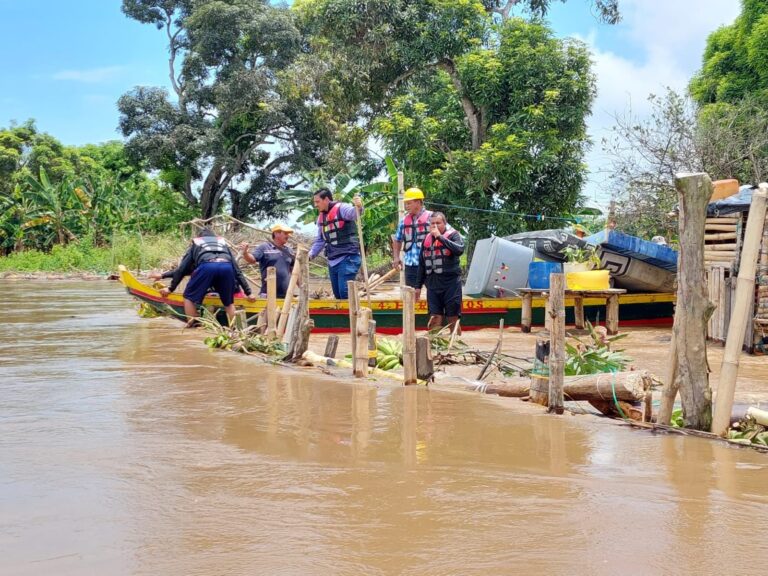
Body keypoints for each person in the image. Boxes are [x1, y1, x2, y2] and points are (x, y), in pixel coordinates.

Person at [149, 228, 255, 326]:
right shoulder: (223, 246)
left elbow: (182, 269)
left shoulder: (197, 244)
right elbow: (237, 271)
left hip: (207, 266)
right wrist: (249, 293)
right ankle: (236, 329)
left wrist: (170, 288)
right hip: (227, 268)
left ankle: (194, 325)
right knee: (228, 303)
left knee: (188, 297)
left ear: (199, 238)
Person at [308, 188, 364, 299]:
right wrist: (310, 255)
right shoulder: (321, 218)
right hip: (333, 260)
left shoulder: (342, 208)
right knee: (338, 295)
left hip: (348, 258)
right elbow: (320, 240)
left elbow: (354, 213)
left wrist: (359, 207)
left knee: (344, 293)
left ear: (326, 199)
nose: (315, 205)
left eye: (317, 202)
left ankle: (354, 315)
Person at [416, 211, 465, 332]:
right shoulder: (426, 240)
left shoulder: (454, 236)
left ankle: (455, 345)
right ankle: (434, 345)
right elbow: (422, 265)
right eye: (432, 223)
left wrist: (439, 237)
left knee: (452, 317)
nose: (435, 226)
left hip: (451, 284)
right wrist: (417, 286)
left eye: (438, 223)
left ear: (445, 223)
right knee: (434, 317)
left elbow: (459, 250)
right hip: (432, 284)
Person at [239, 223, 295, 297]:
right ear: (276, 233)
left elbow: (294, 271)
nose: (288, 236)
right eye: (285, 233)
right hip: (267, 294)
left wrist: (301, 287)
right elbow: (252, 259)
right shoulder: (264, 247)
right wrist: (245, 253)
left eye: (288, 234)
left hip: (286, 295)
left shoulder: (289, 251)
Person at [393, 187, 432, 289]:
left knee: (434, 294)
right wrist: (396, 257)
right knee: (410, 294)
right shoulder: (404, 221)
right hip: (411, 265)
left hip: (429, 264)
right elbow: (397, 240)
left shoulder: (432, 217)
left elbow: (447, 234)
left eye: (409, 203)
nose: (406, 206)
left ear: (418, 202)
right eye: (406, 204)